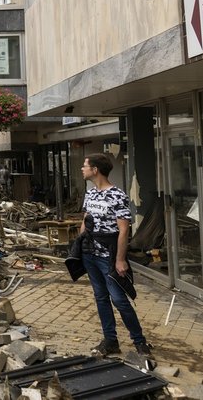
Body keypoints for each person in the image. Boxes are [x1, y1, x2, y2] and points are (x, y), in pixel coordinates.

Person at [79, 153, 152, 357]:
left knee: (119, 299)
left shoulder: (117, 195)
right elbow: (86, 219)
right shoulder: (90, 194)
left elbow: (124, 230)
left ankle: (139, 341)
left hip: (108, 256)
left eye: (85, 166)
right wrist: (79, 245)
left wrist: (120, 259)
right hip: (90, 255)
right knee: (101, 297)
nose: (82, 169)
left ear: (95, 170)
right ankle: (110, 341)